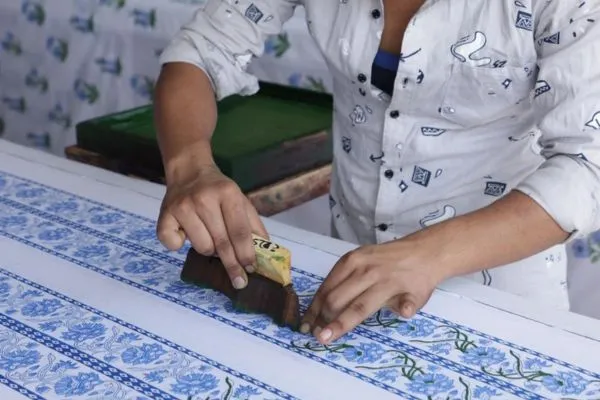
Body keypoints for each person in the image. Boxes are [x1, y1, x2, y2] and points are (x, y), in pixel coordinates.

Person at [154, 0, 600, 345]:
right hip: (347, 286)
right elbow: (199, 51)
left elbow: (589, 164)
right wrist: (191, 168)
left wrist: (430, 255)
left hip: (498, 298)